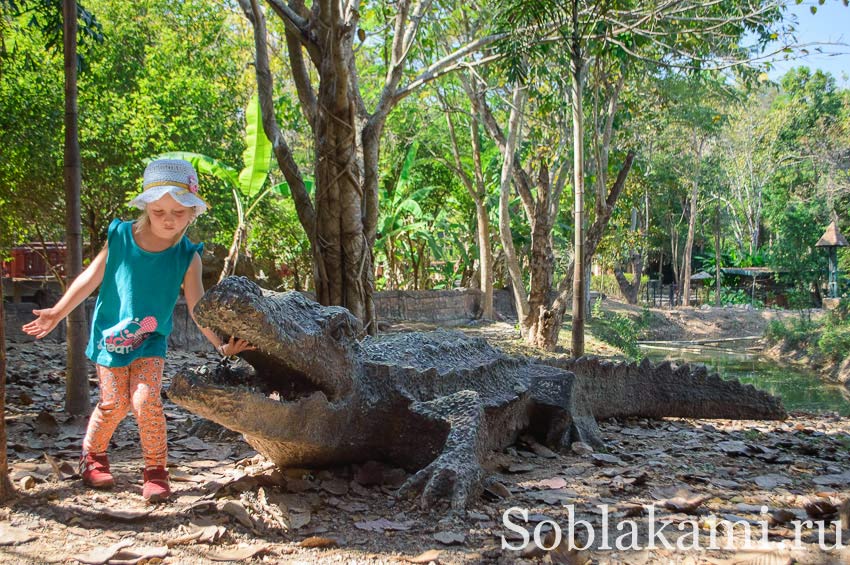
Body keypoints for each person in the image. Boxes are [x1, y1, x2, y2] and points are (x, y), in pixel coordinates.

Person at [22, 158, 254, 503]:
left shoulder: (188, 256)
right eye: (159, 211)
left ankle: (156, 471)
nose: (168, 219)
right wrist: (58, 312)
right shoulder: (120, 237)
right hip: (110, 337)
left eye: (178, 211)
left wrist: (219, 344)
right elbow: (90, 278)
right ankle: (93, 455)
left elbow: (196, 306)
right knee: (114, 404)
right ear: (147, 208)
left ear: (192, 212)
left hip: (150, 340)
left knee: (145, 401)